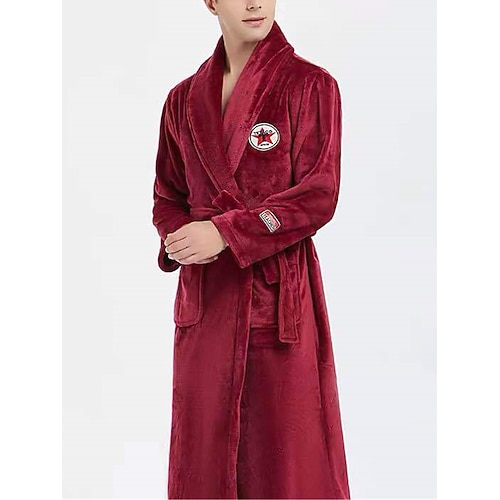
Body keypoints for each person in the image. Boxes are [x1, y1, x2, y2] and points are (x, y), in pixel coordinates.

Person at [152, 1, 351, 498]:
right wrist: (180, 239)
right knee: (202, 451)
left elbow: (318, 195)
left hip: (276, 299)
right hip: (207, 302)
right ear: (211, 1)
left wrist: (226, 233)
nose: (256, 2)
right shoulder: (182, 100)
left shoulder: (311, 86)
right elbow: (167, 197)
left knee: (285, 454)